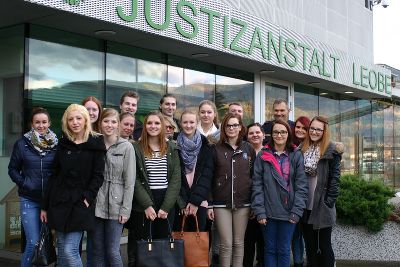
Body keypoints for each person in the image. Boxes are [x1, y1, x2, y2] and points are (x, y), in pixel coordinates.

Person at [40, 104, 106, 267]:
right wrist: (45, 206)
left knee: (70, 250)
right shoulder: (64, 143)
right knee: (62, 249)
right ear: (66, 122)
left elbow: (98, 176)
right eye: (71, 119)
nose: (75, 122)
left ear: (85, 120)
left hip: (80, 203)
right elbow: (55, 175)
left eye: (79, 118)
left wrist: (87, 198)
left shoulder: (96, 142)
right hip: (59, 202)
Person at [251, 120, 308, 267]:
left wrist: (297, 211)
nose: (279, 135)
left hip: (289, 213)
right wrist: (260, 211)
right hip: (268, 212)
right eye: (276, 132)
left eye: (283, 132)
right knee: (269, 249)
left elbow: (301, 186)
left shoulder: (295, 155)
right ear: (271, 134)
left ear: (288, 133)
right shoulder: (263, 155)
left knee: (283, 250)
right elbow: (257, 185)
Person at [129, 111, 181, 265]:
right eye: (149, 123)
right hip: (145, 202)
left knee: (164, 244)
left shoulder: (171, 147)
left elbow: (175, 179)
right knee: (145, 245)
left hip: (167, 201)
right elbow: (136, 179)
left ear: (163, 126)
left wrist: (166, 207)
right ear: (145, 126)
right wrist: (146, 205)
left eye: (157, 123)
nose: (153, 126)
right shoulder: (136, 147)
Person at [8, 107, 58, 267]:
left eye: (44, 122)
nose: (41, 125)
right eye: (37, 122)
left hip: (50, 201)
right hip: (29, 199)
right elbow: (12, 169)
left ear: (49, 123)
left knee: (48, 243)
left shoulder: (57, 144)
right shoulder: (22, 144)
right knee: (33, 241)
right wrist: (25, 183)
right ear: (32, 124)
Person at [208, 113, 256, 267]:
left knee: (238, 242)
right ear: (224, 128)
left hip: (244, 202)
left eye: (235, 125)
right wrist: (209, 204)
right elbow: (209, 178)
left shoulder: (248, 148)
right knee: (226, 243)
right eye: (228, 125)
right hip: (221, 202)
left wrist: (254, 203)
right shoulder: (216, 149)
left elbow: (254, 176)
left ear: (241, 127)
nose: (232, 128)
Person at [92, 108, 136, 267]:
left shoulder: (126, 147)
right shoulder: (94, 144)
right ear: (100, 123)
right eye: (106, 121)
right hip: (97, 203)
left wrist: (126, 209)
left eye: (113, 121)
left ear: (118, 124)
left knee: (112, 250)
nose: (109, 125)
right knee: (97, 250)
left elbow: (130, 181)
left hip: (117, 205)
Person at [301, 116, 343, 267]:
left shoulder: (332, 150)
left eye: (318, 129)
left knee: (324, 245)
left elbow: (335, 179)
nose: (314, 131)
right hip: (305, 205)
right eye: (312, 128)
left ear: (324, 131)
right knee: (310, 246)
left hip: (322, 205)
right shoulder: (302, 148)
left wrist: (328, 202)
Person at [176, 110, 213, 231]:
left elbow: (207, 176)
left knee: (197, 243)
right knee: (179, 242)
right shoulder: (173, 145)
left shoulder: (206, 145)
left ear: (197, 123)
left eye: (192, 122)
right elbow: (174, 176)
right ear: (180, 123)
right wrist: (183, 202)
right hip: (180, 202)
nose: (188, 125)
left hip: (200, 201)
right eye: (185, 122)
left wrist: (195, 201)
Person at [243, 123, 265, 267]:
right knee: (248, 242)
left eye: (257, 132)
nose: (255, 135)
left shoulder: (269, 152)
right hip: (246, 204)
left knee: (264, 242)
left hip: (265, 205)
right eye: (251, 133)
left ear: (263, 134)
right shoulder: (243, 153)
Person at [292, 116, 311, 267]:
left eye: (304, 128)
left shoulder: (312, 147)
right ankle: (298, 262)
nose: (300, 130)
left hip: (310, 197)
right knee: (296, 234)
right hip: (293, 197)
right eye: (298, 127)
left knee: (307, 235)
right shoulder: (291, 146)